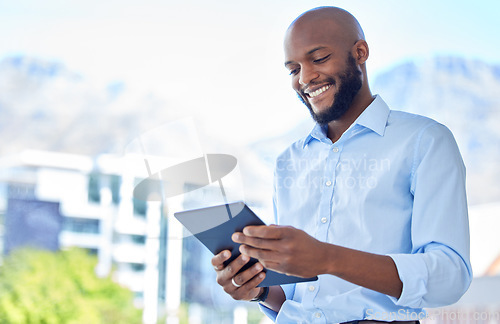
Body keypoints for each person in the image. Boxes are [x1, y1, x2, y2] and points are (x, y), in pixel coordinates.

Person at [212, 6, 472, 323]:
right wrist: (258, 288)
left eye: (318, 59)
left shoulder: (425, 141)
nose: (305, 78)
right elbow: (298, 296)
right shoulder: (288, 162)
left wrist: (329, 258)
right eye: (293, 69)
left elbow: (451, 275)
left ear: (360, 52)